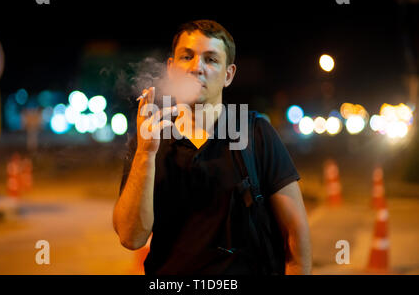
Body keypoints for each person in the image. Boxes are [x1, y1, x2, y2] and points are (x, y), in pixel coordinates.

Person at [113, 19, 311, 275]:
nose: (197, 67)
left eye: (211, 59)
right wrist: (146, 153)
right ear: (171, 69)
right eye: (187, 57)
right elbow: (131, 238)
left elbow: (295, 235)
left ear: (228, 75)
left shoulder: (255, 132)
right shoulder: (150, 137)